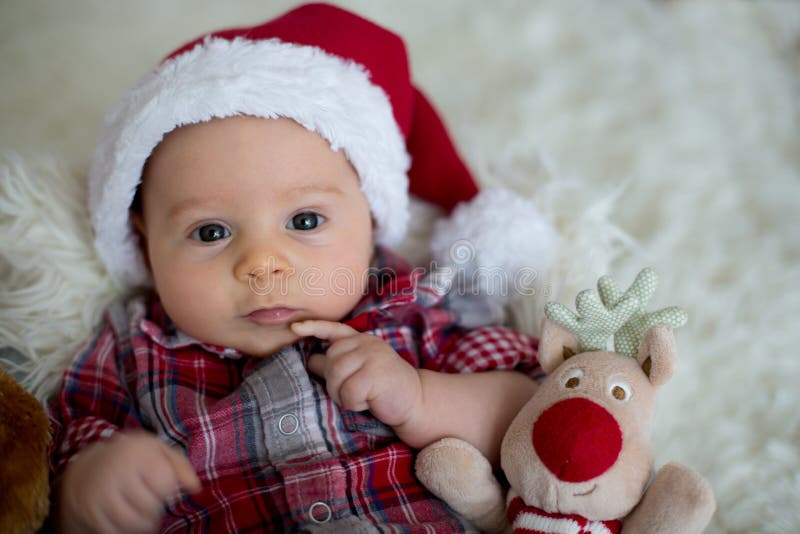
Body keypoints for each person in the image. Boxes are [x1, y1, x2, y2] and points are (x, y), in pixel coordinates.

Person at [48, 4, 557, 532]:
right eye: (210, 232)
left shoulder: (408, 304)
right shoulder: (134, 347)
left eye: (305, 219)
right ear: (144, 240)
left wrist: (422, 398)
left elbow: (533, 410)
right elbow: (64, 442)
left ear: (369, 219)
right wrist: (88, 485)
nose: (263, 265)